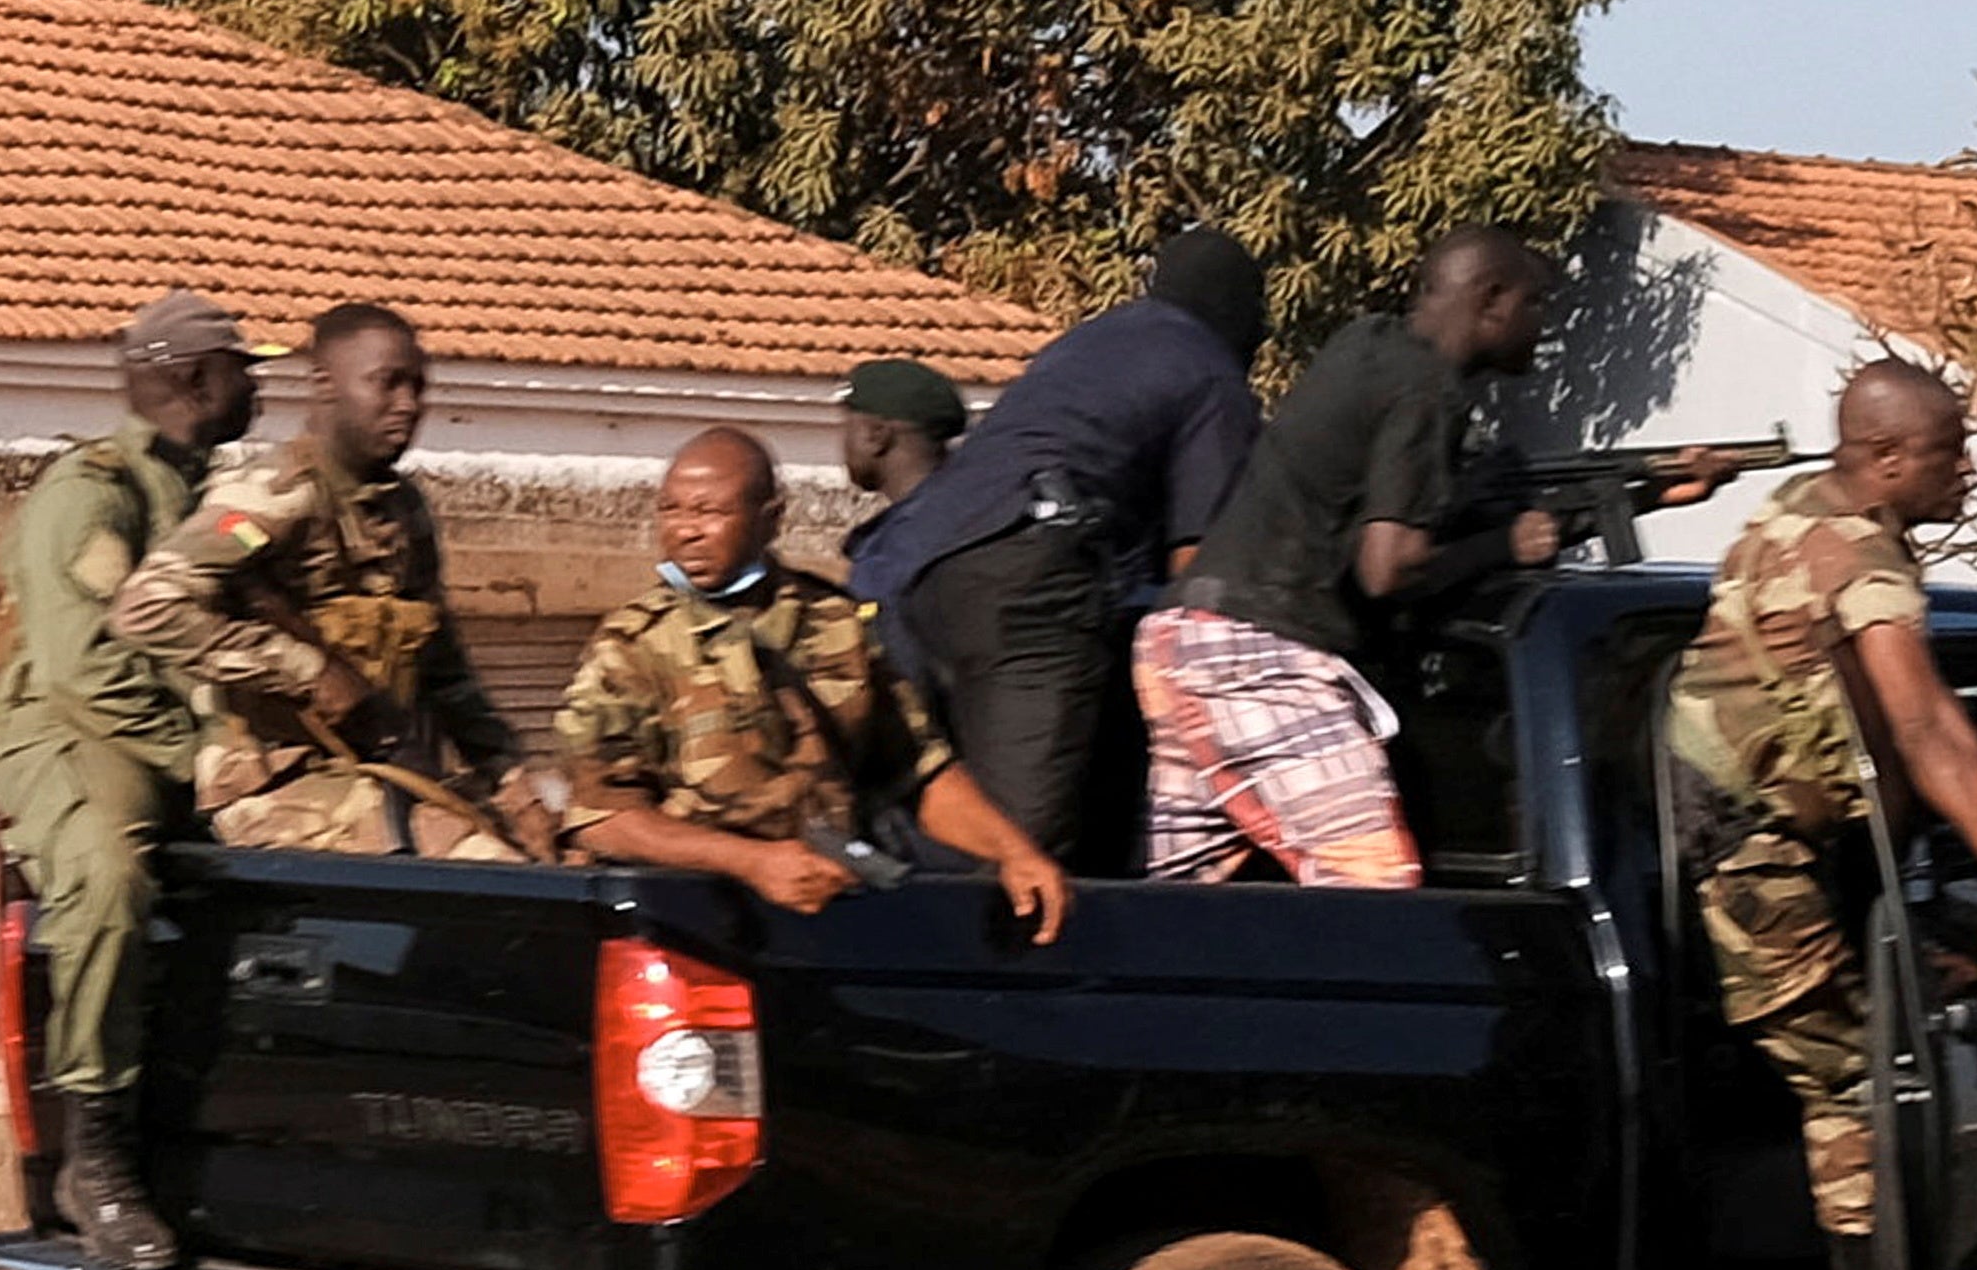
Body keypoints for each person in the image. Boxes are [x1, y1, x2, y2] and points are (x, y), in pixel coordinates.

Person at [1667, 361, 1977, 1270]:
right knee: (1856, 1077)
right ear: (1887, 458)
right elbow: (1927, 727)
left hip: (1749, 845)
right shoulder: (1861, 558)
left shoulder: (1793, 510)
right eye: (1949, 452)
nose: (1969, 471)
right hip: (1752, 858)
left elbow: (1868, 747)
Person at [1133, 228, 1566, 888]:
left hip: (1180, 638)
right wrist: (1504, 544)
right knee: (1373, 886)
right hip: (1259, 655)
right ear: (1491, 299)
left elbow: (1346, 496)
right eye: (1536, 303)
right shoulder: (1429, 390)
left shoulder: (1364, 341)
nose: (1543, 322)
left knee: (1180, 909)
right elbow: (1387, 568)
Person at [0, 289, 256, 1270]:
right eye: (240, 365)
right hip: (68, 731)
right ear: (193, 377)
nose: (255, 382)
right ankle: (93, 1154)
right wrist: (197, 762)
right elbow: (81, 668)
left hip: (180, 734)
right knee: (108, 870)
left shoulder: (214, 497)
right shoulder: (92, 491)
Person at [850, 228, 1266, 869]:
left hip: (927, 571)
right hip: (1029, 579)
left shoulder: (1092, 341)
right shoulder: (1211, 371)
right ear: (1240, 311)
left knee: (939, 795)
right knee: (1024, 850)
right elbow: (1198, 575)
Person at [551, 428, 1073, 939]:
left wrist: (1013, 852)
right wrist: (751, 863)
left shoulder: (835, 625)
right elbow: (602, 817)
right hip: (697, 923)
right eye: (672, 510)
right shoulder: (632, 644)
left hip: (832, 916)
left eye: (710, 512)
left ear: (770, 518)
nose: (686, 530)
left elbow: (917, 768)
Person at [116, 301, 559, 860]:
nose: (408, 405)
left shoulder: (403, 509)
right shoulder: (274, 492)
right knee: (488, 869)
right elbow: (148, 606)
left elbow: (446, 675)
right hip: (275, 782)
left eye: (418, 388)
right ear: (325, 383)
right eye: (387, 384)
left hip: (382, 771)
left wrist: (515, 788)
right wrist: (309, 670)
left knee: (546, 859)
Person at [835, 356, 967, 521]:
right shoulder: (966, 515)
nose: (844, 441)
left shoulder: (913, 535)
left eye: (849, 426)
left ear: (876, 436)